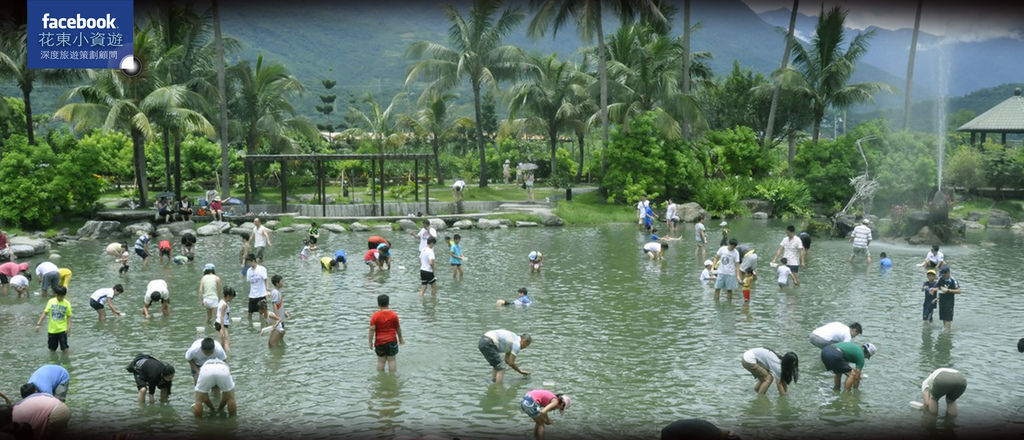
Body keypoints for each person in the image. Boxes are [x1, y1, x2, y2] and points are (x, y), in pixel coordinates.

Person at [368, 294, 403, 372]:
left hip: (380, 342)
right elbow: (398, 328)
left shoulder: (375, 316)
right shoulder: (394, 315)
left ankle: (380, 378)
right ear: (388, 303)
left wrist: (370, 342)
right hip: (392, 341)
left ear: (378, 304)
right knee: (392, 360)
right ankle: (392, 378)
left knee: (381, 361)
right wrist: (400, 338)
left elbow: (371, 329)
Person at [34, 287, 71, 354]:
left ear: (64, 295)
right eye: (58, 296)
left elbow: (69, 317)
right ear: (56, 294)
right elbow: (45, 313)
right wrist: (38, 324)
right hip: (52, 330)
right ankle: (52, 363)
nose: (60, 298)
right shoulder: (51, 301)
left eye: (62, 296)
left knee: (65, 348)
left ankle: (66, 363)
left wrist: (68, 328)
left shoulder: (67, 304)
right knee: (52, 349)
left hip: (62, 330)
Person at [262, 276, 288, 348]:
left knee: (278, 339)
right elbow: (274, 305)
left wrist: (284, 313)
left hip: (280, 319)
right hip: (278, 320)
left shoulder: (278, 291)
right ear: (277, 283)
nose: (283, 283)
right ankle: (277, 353)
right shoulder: (275, 292)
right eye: (281, 281)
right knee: (273, 342)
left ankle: (279, 351)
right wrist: (277, 317)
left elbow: (280, 304)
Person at [244, 254, 270, 324]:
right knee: (250, 312)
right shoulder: (249, 270)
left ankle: (264, 324)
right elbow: (249, 282)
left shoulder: (262, 269)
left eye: (249, 262)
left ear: (253, 261)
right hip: (252, 295)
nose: (249, 264)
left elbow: (266, 280)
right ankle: (250, 324)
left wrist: (268, 290)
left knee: (262, 312)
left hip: (261, 294)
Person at [660, 419, 739, 440]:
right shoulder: (713, 436)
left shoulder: (714, 430)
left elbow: (728, 432)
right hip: (673, 433)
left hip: (670, 429)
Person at [216, 287, 236, 352]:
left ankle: (221, 357)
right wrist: (223, 330)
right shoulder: (224, 305)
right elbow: (222, 317)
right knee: (227, 342)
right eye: (232, 297)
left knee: (222, 342)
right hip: (222, 325)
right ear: (228, 296)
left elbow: (218, 314)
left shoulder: (221, 302)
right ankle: (228, 358)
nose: (232, 299)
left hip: (219, 323)